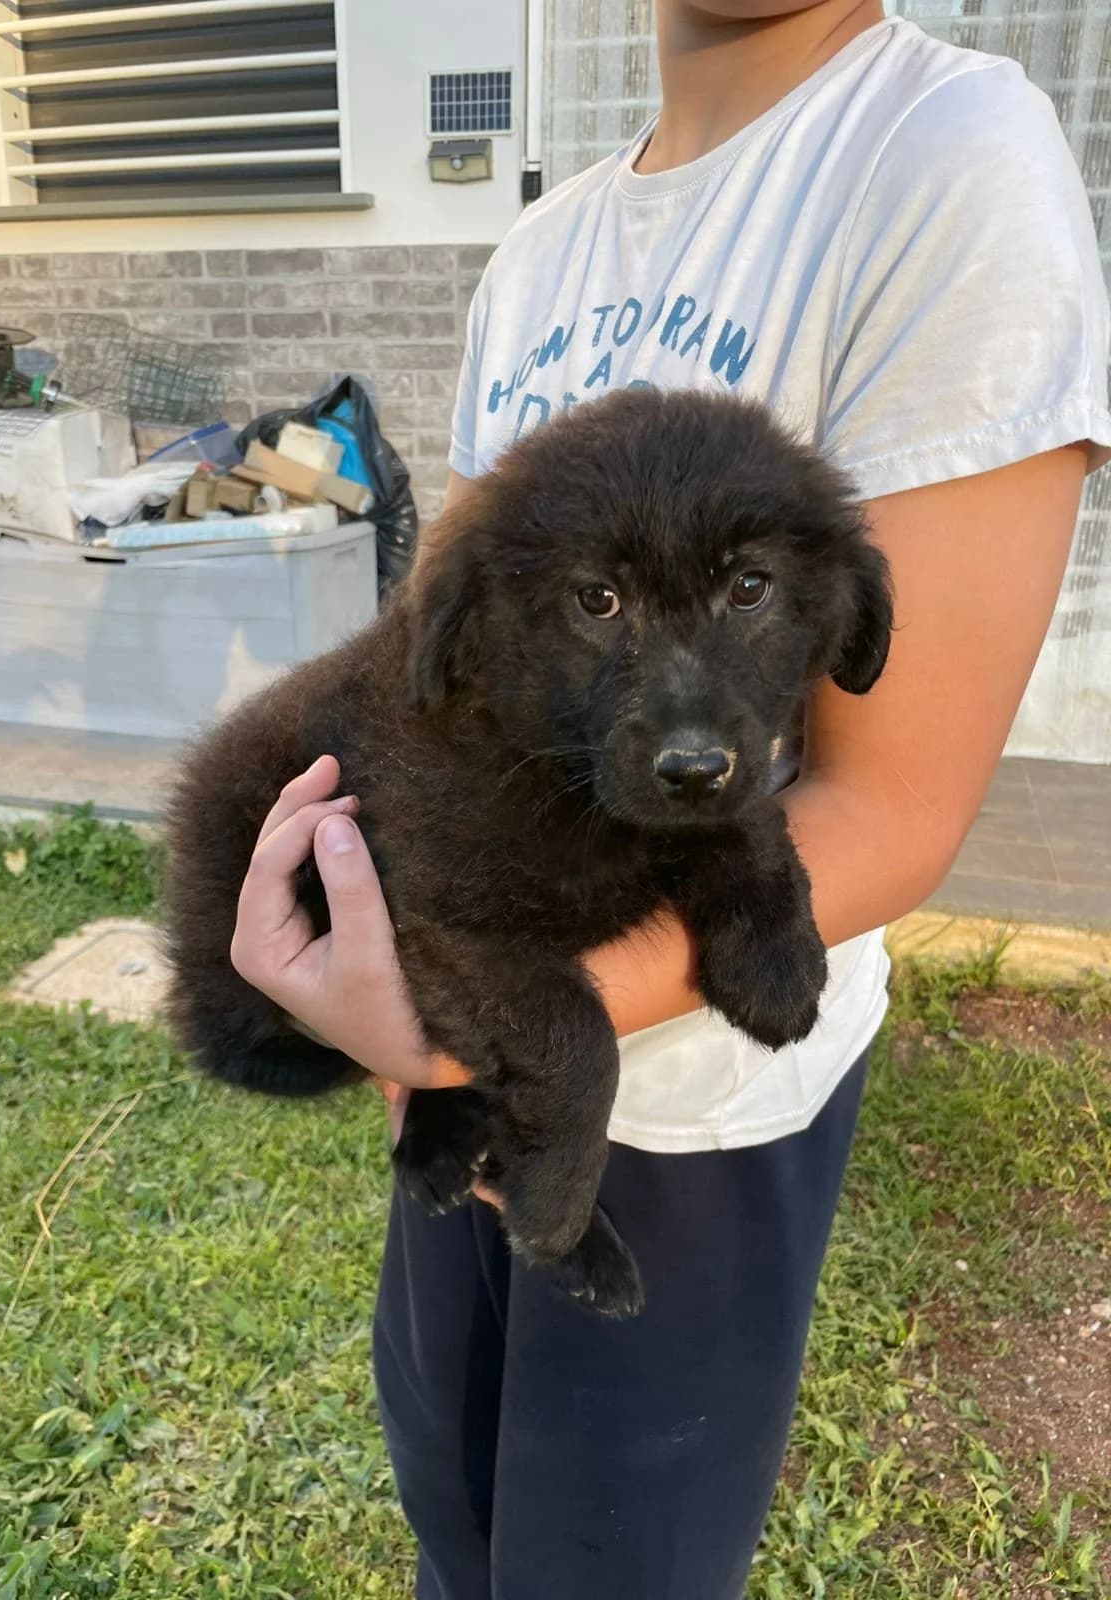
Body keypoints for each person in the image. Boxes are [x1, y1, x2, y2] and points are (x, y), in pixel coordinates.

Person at [227, 1, 1111, 1594]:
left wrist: (469, 1025)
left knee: (606, 1568)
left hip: (695, 1108)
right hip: (465, 1029)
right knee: (458, 1524)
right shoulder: (543, 250)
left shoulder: (941, 157)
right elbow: (430, 659)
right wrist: (421, 1025)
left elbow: (893, 809)